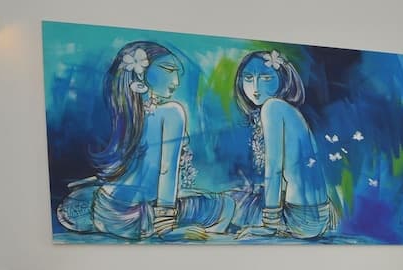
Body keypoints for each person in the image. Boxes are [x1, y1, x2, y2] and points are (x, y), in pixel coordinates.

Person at [56, 41, 231, 241]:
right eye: (168, 70)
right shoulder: (172, 112)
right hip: (139, 218)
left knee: (192, 195)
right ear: (141, 72)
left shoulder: (130, 113)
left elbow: (134, 165)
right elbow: (166, 171)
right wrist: (166, 227)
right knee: (226, 205)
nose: (176, 81)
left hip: (106, 209)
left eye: (177, 73)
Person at [231, 50, 337, 239]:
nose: (255, 87)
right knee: (243, 198)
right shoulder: (292, 112)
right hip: (320, 213)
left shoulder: (272, 107)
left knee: (230, 203)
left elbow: (274, 170)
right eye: (248, 78)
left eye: (265, 78)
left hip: (299, 219)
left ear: (282, 79)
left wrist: (270, 225)